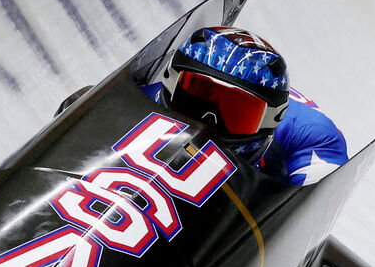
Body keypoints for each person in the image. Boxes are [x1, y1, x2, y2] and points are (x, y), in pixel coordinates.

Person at [149, 25, 348, 185]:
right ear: (170, 80)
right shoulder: (146, 94)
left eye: (235, 112)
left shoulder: (317, 139)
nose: (207, 124)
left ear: (272, 119)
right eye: (196, 98)